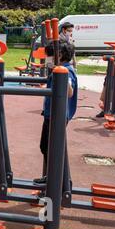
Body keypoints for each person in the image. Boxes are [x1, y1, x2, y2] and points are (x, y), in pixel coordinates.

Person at [34, 40, 78, 184]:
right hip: (50, 114)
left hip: (57, 115)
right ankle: (52, 177)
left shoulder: (66, 70)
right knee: (46, 146)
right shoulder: (59, 69)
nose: (48, 59)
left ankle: (59, 180)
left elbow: (70, 92)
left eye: (50, 56)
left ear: (59, 54)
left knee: (51, 147)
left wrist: (62, 77)